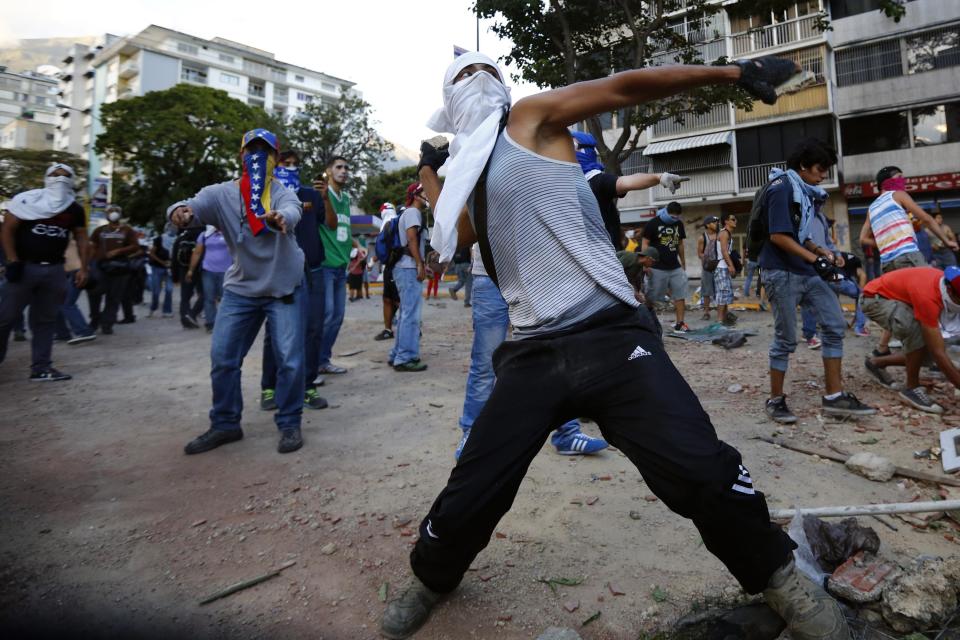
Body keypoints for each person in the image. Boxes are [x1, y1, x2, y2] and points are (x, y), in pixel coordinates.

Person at [381, 52, 848, 640]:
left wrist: (733, 74)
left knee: (701, 470)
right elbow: (463, 235)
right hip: (533, 352)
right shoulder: (466, 174)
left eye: (486, 73)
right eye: (463, 79)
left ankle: (782, 581)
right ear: (448, 104)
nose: (477, 84)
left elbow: (622, 86)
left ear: (503, 85)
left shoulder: (529, 119)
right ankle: (431, 579)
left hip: (609, 332)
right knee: (473, 488)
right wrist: (433, 170)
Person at [168, 128, 306, 455]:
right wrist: (179, 212)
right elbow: (190, 207)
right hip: (241, 289)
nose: (258, 157)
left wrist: (280, 218)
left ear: (275, 159)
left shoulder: (283, 191)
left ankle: (289, 422)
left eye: (266, 152)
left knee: (289, 360)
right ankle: (226, 424)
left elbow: (293, 211)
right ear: (240, 157)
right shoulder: (221, 194)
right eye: (251, 150)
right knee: (223, 358)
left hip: (283, 286)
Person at [756, 138, 876, 425]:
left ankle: (834, 397)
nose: (823, 176)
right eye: (821, 169)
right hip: (781, 272)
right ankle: (775, 400)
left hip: (807, 271)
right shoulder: (781, 188)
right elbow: (778, 236)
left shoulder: (803, 193)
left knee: (834, 326)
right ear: (803, 166)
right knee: (786, 338)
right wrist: (815, 259)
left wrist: (822, 251)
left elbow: (799, 235)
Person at [0, 163, 89, 380]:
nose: (60, 180)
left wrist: (84, 268)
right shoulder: (27, 200)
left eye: (66, 176)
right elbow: (7, 230)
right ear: (46, 178)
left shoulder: (74, 209)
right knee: (5, 317)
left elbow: (81, 238)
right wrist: (12, 260)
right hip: (24, 269)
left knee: (45, 320)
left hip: (55, 270)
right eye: (55, 175)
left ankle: (41, 367)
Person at [860, 165, 957, 357]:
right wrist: (946, 241)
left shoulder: (872, 207)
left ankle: (881, 349)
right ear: (888, 182)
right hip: (908, 257)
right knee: (932, 298)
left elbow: (863, 238)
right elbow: (927, 219)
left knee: (903, 304)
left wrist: (886, 242)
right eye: (899, 177)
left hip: (888, 263)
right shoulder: (898, 194)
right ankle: (938, 352)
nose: (902, 181)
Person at [261, 149, 329, 411]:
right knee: (275, 332)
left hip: (312, 270)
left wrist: (324, 198)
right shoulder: (267, 197)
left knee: (313, 330)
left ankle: (308, 386)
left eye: (294, 165)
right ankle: (269, 387)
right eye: (285, 164)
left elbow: (328, 223)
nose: (290, 168)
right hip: (280, 271)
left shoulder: (310, 195)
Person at [862, 266, 960, 414]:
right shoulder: (928, 296)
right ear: (951, 291)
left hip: (900, 301)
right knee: (918, 333)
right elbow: (938, 353)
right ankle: (911, 388)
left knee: (929, 350)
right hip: (875, 299)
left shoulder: (946, 287)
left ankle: (876, 363)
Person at [570, 131, 684, 250]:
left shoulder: (596, 180)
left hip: (599, 257)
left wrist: (658, 177)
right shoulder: (562, 183)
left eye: (570, 146)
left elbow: (627, 181)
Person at [317, 155, 356, 375]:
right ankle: (313, 363)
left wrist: (356, 244)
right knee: (327, 314)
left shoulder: (346, 199)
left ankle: (323, 360)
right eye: (339, 167)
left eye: (346, 167)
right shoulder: (323, 195)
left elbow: (344, 229)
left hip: (342, 267)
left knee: (337, 317)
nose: (344, 171)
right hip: (324, 266)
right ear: (329, 171)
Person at [389, 183, 429, 372]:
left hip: (403, 267)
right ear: (415, 195)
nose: (427, 194)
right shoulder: (413, 213)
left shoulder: (409, 213)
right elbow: (412, 239)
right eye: (424, 192)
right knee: (411, 315)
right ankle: (405, 357)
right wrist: (420, 264)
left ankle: (397, 354)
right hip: (408, 267)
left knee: (405, 313)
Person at [88, 205, 139, 335]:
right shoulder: (99, 230)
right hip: (100, 266)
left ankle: (107, 324)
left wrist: (119, 250)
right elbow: (92, 246)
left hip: (120, 268)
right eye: (111, 211)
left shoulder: (127, 230)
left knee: (114, 297)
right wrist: (89, 263)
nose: (113, 213)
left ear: (120, 214)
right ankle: (95, 319)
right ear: (106, 214)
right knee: (95, 293)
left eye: (116, 211)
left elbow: (135, 246)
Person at [642, 201, 689, 331]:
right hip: (656, 267)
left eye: (677, 217)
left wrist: (683, 262)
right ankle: (648, 323)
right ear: (667, 212)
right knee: (652, 296)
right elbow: (645, 243)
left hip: (675, 266)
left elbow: (680, 244)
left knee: (680, 294)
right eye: (672, 216)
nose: (674, 219)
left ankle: (680, 323)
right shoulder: (653, 223)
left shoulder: (678, 224)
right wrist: (645, 263)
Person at [187, 226, 231, 332]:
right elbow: (197, 253)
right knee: (209, 298)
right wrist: (191, 270)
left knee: (226, 299)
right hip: (208, 270)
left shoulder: (228, 232)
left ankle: (226, 323)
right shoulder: (205, 235)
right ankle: (211, 323)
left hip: (226, 271)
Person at [171, 224, 205, 329]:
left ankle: (185, 320)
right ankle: (193, 314)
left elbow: (174, 259)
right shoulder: (203, 236)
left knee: (185, 297)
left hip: (183, 270)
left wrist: (175, 277)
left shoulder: (180, 238)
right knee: (205, 294)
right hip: (200, 270)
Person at [375, 203, 401, 340]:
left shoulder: (390, 223)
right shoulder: (390, 223)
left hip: (394, 267)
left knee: (395, 299)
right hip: (389, 267)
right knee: (388, 299)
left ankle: (409, 328)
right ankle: (388, 329)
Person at [714, 213, 738, 326]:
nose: (735, 221)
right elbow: (724, 251)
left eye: (735, 219)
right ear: (726, 221)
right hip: (721, 267)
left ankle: (724, 319)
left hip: (724, 267)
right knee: (722, 294)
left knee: (725, 294)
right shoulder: (724, 233)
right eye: (733, 219)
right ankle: (719, 321)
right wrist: (731, 265)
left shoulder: (727, 233)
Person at [147, 230, 174, 318]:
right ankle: (153, 308)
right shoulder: (159, 239)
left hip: (170, 269)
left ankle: (167, 310)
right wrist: (161, 262)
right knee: (156, 290)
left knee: (169, 290)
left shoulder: (176, 239)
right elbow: (152, 253)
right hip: (157, 267)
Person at [698, 215, 720, 321]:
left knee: (721, 289)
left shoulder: (720, 235)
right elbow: (699, 253)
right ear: (707, 225)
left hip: (719, 266)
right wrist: (708, 258)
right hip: (708, 268)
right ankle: (706, 312)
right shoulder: (702, 237)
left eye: (716, 222)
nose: (716, 224)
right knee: (706, 291)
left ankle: (723, 312)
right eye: (713, 222)